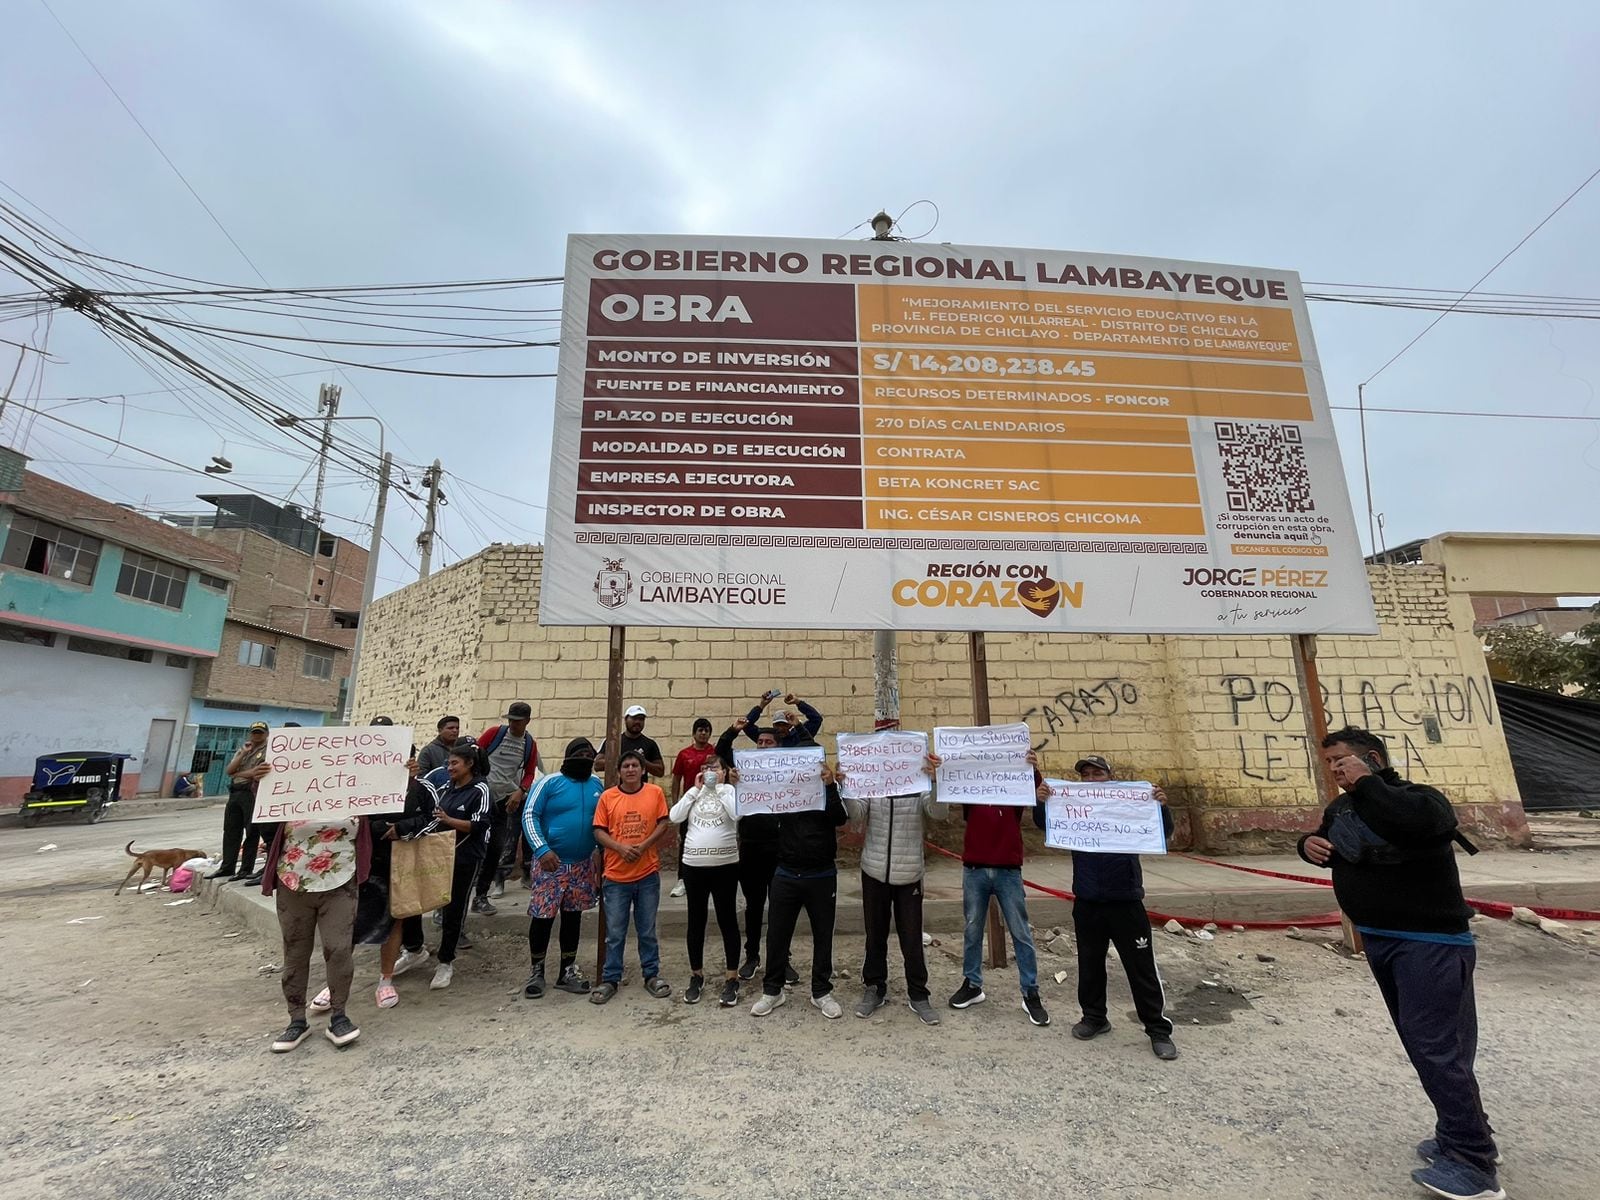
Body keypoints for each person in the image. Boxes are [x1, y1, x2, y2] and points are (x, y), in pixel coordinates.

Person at [1298, 727, 1502, 1200]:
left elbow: (1413, 826)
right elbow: (1330, 844)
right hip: (1382, 940)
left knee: (1438, 1048)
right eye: (1328, 763)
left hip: (1429, 942)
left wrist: (1369, 782)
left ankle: (1474, 1164)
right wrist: (1308, 845)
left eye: (1341, 761)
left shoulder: (1421, 800)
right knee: (1429, 1044)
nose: (1334, 771)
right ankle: (1459, 1134)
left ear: (1370, 758)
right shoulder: (1342, 808)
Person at [1033, 754, 1177, 1059]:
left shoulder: (1127, 803)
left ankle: (1157, 1029)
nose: (1089, 779)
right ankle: (1094, 1018)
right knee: (1089, 964)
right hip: (1087, 900)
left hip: (1126, 900)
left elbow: (1161, 833)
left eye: (1096, 773)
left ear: (1109, 778)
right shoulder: (1075, 806)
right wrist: (1042, 801)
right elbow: (1045, 824)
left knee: (1141, 968)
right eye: (1085, 774)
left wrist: (1161, 807)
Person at [260, 767, 371, 1052]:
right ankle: (296, 1021)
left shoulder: (359, 794)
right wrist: (260, 779)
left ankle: (339, 1016)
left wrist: (403, 775)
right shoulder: (288, 793)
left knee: (339, 949)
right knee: (295, 953)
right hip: (293, 882)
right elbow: (261, 813)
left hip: (340, 882)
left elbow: (393, 802)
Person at [839, 755, 946, 1024]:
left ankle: (918, 994)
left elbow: (939, 813)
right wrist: (847, 787)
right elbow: (857, 814)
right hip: (874, 870)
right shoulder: (873, 781)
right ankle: (875, 988)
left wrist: (935, 781)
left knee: (911, 939)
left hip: (909, 872)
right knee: (875, 934)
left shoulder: (919, 782)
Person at [947, 751, 1049, 1028]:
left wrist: (1032, 768)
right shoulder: (971, 789)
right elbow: (950, 782)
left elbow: (1038, 791)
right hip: (974, 869)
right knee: (971, 928)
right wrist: (940, 769)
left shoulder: (1014, 787)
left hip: (1008, 870)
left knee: (1021, 931)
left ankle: (1030, 991)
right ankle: (972, 984)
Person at [752, 762, 847, 1020]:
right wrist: (742, 782)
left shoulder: (828, 790)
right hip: (786, 873)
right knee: (777, 935)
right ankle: (773, 990)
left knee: (823, 935)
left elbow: (840, 818)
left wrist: (830, 787)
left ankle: (821, 992)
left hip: (822, 874)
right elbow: (756, 803)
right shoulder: (783, 792)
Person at [520, 737, 604, 999]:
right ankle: (537, 971)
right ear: (568, 757)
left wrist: (601, 859)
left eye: (589, 756)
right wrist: (541, 849)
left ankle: (567, 970)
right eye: (579, 754)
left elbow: (601, 822)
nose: (584, 759)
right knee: (543, 917)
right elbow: (529, 814)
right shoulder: (549, 782)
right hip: (550, 864)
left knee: (573, 917)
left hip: (581, 865)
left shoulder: (597, 784)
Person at [589, 750, 673, 1004]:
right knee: (615, 932)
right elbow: (598, 831)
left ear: (642, 769)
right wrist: (619, 848)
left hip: (647, 873)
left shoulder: (654, 793)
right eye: (625, 765)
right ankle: (610, 978)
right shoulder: (608, 797)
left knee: (647, 929)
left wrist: (644, 845)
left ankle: (651, 975)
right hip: (615, 876)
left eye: (635, 765)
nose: (630, 769)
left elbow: (663, 823)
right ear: (619, 771)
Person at [715, 718, 793, 985]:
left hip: (781, 848)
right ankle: (752, 956)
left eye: (768, 742)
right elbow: (721, 750)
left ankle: (783, 959)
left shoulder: (786, 770)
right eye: (759, 742)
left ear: (778, 746)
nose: (762, 745)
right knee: (754, 906)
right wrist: (733, 729)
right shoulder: (742, 770)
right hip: (750, 847)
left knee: (781, 908)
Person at [668, 757, 741, 1006]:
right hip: (694, 867)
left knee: (727, 919)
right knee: (696, 921)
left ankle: (732, 977)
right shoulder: (694, 792)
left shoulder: (729, 791)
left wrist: (722, 786)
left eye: (715, 769)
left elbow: (736, 813)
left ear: (723, 772)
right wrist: (694, 790)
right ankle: (696, 975)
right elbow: (674, 816)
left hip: (725, 866)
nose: (710, 772)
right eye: (706, 769)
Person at [428, 743, 494, 991]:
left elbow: (480, 825)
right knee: (434, 905)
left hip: (465, 857)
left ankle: (445, 962)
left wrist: (448, 820)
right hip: (438, 855)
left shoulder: (481, 789)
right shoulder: (445, 788)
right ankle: (414, 950)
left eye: (455, 763)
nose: (449, 767)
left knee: (454, 908)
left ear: (469, 764)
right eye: (448, 763)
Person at [475, 702, 540, 909]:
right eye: (511, 719)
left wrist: (520, 790)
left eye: (518, 721)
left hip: (504, 801)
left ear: (527, 721)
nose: (513, 724)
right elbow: (473, 753)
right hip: (481, 797)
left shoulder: (529, 744)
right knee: (474, 847)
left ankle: (481, 895)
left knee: (496, 847)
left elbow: (530, 772)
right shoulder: (495, 733)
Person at [207, 722, 270, 882]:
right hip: (235, 791)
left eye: (260, 733)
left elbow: (257, 773)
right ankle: (227, 867)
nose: (257, 736)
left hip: (251, 792)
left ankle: (245, 869)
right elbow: (229, 771)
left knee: (251, 832)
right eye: (254, 732)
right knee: (231, 831)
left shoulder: (268, 750)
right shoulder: (246, 749)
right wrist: (242, 754)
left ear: (266, 734)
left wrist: (240, 773)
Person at [668, 717, 718, 898]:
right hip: (690, 803)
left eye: (706, 730)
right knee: (686, 840)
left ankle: (711, 879)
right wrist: (676, 803)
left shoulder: (715, 752)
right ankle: (682, 879)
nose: (703, 733)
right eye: (700, 730)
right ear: (694, 733)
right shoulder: (684, 754)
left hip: (711, 803)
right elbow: (676, 779)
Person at [596, 704, 666, 777]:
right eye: (634, 718)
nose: (637, 722)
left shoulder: (650, 744)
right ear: (626, 719)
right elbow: (597, 765)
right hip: (616, 787)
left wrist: (641, 761)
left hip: (640, 788)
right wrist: (622, 760)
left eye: (641, 719)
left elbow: (660, 771)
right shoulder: (613, 742)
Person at [740, 690, 822, 749]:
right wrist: (761, 705)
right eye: (778, 724)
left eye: (784, 725)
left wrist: (798, 702)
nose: (781, 728)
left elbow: (816, 719)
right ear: (773, 725)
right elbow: (746, 725)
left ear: (790, 725)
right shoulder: (767, 738)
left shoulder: (798, 737)